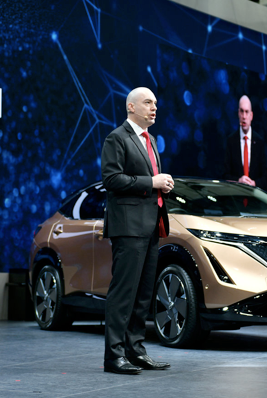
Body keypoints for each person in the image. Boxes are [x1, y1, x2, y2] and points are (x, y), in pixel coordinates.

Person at [100, 87, 172, 375]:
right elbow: (111, 179)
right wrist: (152, 182)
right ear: (131, 107)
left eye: (155, 103)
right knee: (124, 293)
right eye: (147, 102)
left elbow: (148, 180)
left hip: (151, 225)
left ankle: (136, 350)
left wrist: (162, 185)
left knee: (143, 294)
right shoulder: (117, 138)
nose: (154, 107)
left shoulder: (150, 140)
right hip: (128, 227)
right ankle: (114, 356)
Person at [223, 95, 266, 188]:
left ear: (251, 115)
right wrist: (238, 181)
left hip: (254, 195)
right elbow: (225, 175)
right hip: (235, 193)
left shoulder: (259, 142)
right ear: (238, 113)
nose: (244, 116)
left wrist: (254, 184)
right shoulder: (231, 141)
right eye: (242, 111)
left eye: (247, 112)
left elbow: (266, 178)